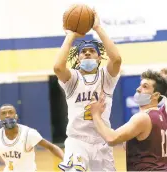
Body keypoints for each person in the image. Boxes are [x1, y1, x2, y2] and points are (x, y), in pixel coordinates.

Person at [53, 10, 121, 171]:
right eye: (83, 52)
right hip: (78, 140)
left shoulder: (106, 77)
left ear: (99, 58)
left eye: (92, 51)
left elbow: (116, 59)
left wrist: (98, 28)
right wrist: (70, 35)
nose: (88, 53)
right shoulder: (73, 78)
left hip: (102, 140)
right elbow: (57, 67)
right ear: (78, 59)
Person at [90, 70, 167, 171]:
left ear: (156, 95)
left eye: (145, 86)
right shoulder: (161, 115)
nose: (138, 89)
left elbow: (111, 139)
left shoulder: (143, 117)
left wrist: (95, 115)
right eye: (140, 85)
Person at [0, 104, 64, 172]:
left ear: (16, 116)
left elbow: (51, 147)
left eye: (10, 112)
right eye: (3, 113)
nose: (7, 115)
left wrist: (65, 160)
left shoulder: (29, 133)